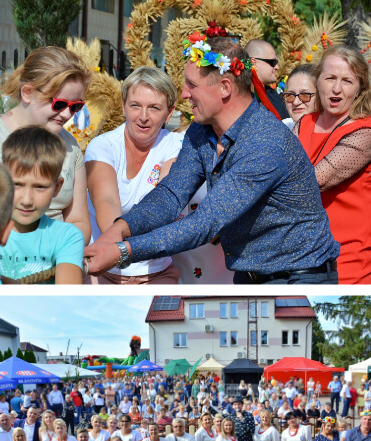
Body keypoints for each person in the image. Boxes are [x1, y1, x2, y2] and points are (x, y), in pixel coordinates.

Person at [84, 36, 340, 284]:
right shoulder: (201, 130)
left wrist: (123, 250)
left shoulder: (264, 142)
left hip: (299, 277)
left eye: (191, 85)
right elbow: (171, 195)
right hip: (249, 275)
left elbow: (205, 223)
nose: (184, 94)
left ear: (225, 87)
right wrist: (119, 230)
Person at [85, 66, 231, 284]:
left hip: (156, 272)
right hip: (105, 270)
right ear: (124, 106)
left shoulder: (178, 145)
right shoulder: (102, 146)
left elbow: (167, 198)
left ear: (169, 113)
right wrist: (115, 246)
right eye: (135, 106)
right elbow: (106, 201)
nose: (143, 117)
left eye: (154, 108)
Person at [0, 46, 92, 242]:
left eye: (75, 106)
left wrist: (64, 255)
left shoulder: (70, 144)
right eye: (59, 104)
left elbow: (79, 220)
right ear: (27, 92)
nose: (66, 115)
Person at [295, 45, 371, 284]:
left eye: (347, 81)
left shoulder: (365, 131)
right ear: (317, 82)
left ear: (359, 88)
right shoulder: (305, 122)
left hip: (348, 260)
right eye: (330, 78)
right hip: (304, 257)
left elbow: (311, 183)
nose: (337, 88)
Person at [0, 126, 85, 283]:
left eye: (40, 187)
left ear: (57, 187)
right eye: (17, 184)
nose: (26, 200)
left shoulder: (67, 236)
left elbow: (68, 297)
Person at [244, 39, 290, 119]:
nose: (277, 67)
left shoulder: (273, 95)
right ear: (253, 62)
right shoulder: (242, 97)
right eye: (272, 62)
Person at [282, 64, 318, 129]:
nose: (296, 102)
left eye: (304, 95)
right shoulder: (282, 127)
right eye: (290, 95)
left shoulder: (332, 134)